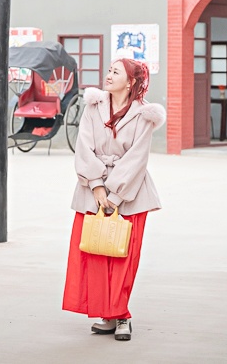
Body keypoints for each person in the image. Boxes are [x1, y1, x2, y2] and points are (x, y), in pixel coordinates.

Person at [62, 58, 165, 342]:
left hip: (130, 193)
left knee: (122, 257)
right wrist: (96, 185)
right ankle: (106, 314)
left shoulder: (145, 114)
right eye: (109, 70)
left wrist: (116, 195)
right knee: (96, 252)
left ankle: (121, 316)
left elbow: (137, 158)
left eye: (115, 72)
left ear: (130, 82)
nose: (108, 75)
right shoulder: (93, 106)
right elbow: (83, 147)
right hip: (91, 189)